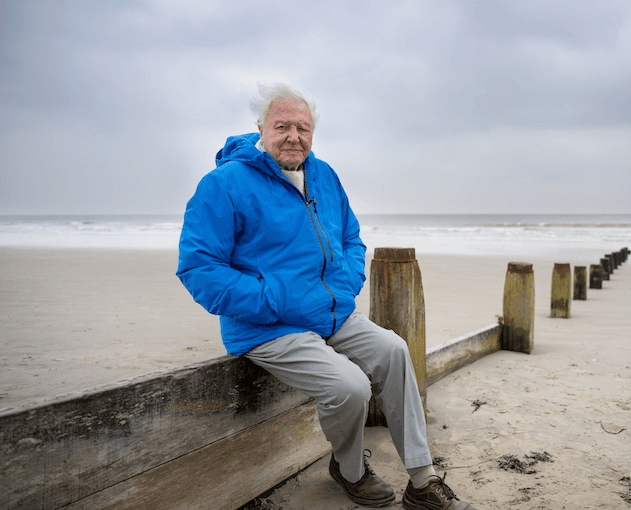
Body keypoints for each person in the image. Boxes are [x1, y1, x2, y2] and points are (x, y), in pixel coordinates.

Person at [177, 83, 475, 510]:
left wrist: (345, 283)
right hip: (269, 325)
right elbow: (199, 269)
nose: (294, 136)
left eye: (303, 127)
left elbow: (352, 238)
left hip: (331, 312)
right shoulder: (223, 185)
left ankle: (422, 479)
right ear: (261, 128)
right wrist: (272, 300)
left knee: (394, 350)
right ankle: (349, 469)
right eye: (282, 126)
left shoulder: (324, 175)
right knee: (350, 386)